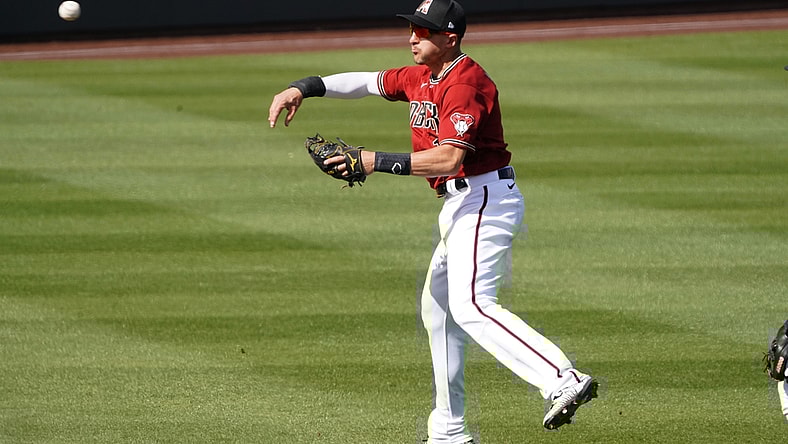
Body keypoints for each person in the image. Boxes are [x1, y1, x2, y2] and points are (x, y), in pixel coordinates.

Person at [268, 0, 597, 442]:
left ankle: (563, 378)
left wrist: (372, 160)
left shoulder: (466, 84)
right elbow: (365, 82)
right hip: (460, 205)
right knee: (438, 309)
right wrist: (303, 88)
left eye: (421, 32)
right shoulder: (421, 75)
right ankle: (449, 431)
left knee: (471, 305)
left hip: (485, 200)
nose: (412, 38)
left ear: (450, 38)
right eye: (412, 30)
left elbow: (450, 157)